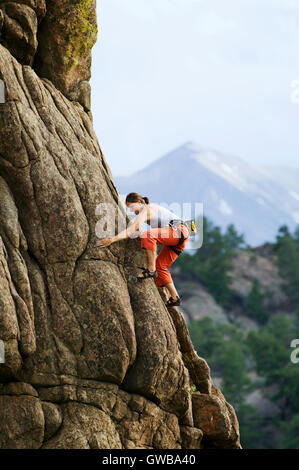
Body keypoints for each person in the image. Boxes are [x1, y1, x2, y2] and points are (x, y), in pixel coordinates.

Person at [96, 192, 190, 307]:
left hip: (178, 231)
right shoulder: (149, 211)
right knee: (160, 266)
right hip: (181, 237)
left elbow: (132, 230)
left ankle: (151, 270)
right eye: (128, 208)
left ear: (140, 202)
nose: (131, 210)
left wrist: (112, 239)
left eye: (131, 206)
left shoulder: (147, 209)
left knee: (148, 235)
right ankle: (175, 297)